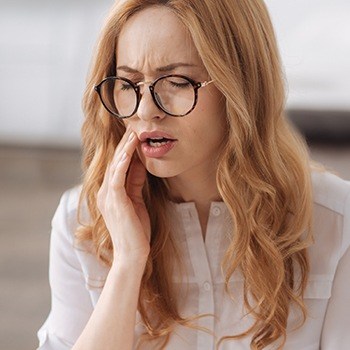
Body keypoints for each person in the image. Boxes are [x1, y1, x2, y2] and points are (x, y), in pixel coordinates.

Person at [37, 0, 350, 349]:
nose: (145, 111)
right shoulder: (79, 223)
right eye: (128, 84)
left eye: (177, 81)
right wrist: (127, 264)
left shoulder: (338, 220)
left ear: (241, 85)